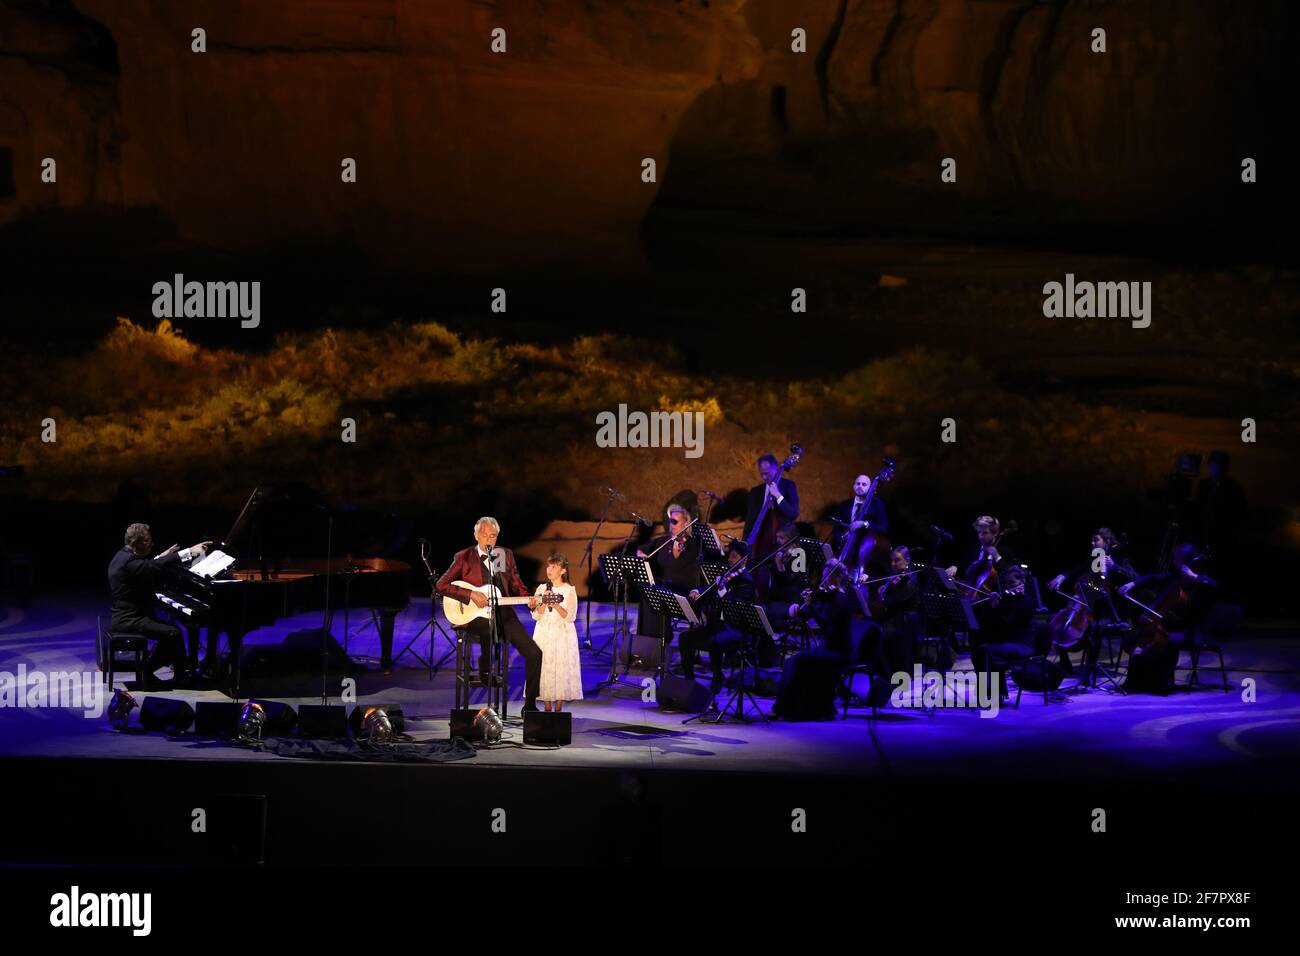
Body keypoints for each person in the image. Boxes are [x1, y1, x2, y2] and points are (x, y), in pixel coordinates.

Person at [436, 517, 544, 712]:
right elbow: (441, 585)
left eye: (492, 535)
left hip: (504, 613)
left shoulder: (504, 555)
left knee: (534, 654)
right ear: (476, 535)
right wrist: (470, 594)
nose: (488, 539)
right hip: (475, 615)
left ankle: (529, 706)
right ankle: (485, 665)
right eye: (484, 535)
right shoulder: (464, 557)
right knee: (488, 627)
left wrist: (530, 600)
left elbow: (516, 583)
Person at [107, 523, 211, 688]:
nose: (151, 543)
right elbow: (149, 567)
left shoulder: (122, 555)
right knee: (173, 634)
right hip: (129, 619)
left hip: (127, 615)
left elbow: (146, 565)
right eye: (148, 541)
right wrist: (189, 552)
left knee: (170, 632)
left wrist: (163, 556)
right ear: (137, 543)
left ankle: (173, 672)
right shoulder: (131, 563)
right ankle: (162, 673)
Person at [678, 539, 756, 695]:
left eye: (734, 557)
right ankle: (689, 680)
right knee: (685, 638)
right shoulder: (727, 574)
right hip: (719, 625)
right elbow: (709, 587)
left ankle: (717, 674)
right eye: (729, 556)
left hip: (735, 628)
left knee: (716, 640)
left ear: (744, 559)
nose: (729, 559)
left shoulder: (746, 581)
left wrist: (722, 590)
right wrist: (697, 590)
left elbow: (736, 609)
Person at [634, 503, 702, 641]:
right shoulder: (664, 541)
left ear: (686, 523)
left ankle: (663, 639)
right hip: (665, 589)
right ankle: (650, 641)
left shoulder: (695, 545)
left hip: (684, 591)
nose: (671, 526)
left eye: (675, 522)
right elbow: (641, 549)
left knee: (659, 596)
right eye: (670, 522)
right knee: (648, 594)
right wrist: (641, 554)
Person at [531, 553, 582, 712]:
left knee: (561, 667)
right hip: (544, 631)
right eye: (548, 566)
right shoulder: (541, 588)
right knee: (544, 666)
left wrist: (556, 604)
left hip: (562, 634)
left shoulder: (569, 590)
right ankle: (546, 707)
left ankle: (559, 708)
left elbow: (570, 617)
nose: (549, 570)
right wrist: (542, 604)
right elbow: (536, 615)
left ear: (563, 571)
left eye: (554, 567)